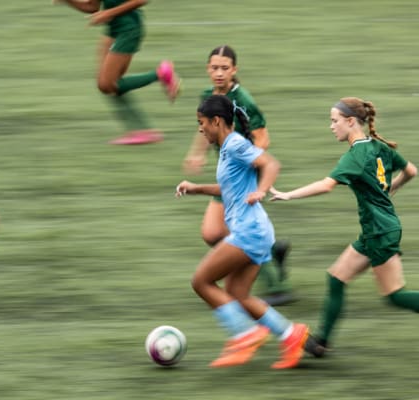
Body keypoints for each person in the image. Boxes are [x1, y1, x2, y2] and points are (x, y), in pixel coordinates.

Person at [270, 97, 419, 357]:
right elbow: (411, 171)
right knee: (337, 277)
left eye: (334, 120)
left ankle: (322, 342)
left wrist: (288, 195)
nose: (331, 126)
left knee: (395, 295)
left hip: (379, 232)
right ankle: (321, 343)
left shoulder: (356, 155)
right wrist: (388, 190)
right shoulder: (377, 146)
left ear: (351, 122)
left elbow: (326, 185)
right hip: (377, 229)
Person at [176, 95, 309, 369]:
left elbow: (271, 164)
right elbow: (228, 189)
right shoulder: (227, 148)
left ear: (216, 121)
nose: (200, 129)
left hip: (248, 232)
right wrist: (196, 187)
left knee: (201, 282)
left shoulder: (235, 144)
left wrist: (261, 190)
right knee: (238, 293)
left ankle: (245, 334)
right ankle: (291, 335)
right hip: (257, 231)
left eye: (202, 123)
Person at [182, 45, 294, 306]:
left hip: (243, 178)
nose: (219, 73)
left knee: (235, 232)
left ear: (234, 70)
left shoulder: (243, 100)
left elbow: (263, 137)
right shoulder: (207, 95)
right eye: (214, 68)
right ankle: (271, 252)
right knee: (212, 234)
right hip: (226, 176)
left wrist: (246, 159)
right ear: (207, 69)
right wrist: (196, 153)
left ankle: (276, 286)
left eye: (225, 68)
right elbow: (206, 125)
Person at [53, 0, 180, 145]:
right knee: (107, 85)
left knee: (108, 83)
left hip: (129, 28)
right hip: (114, 29)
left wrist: (108, 13)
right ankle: (140, 131)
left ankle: (161, 74)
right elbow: (91, 6)